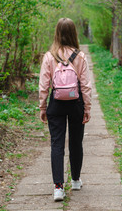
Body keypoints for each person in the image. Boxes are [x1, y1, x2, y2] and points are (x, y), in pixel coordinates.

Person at [39, 18, 92, 201]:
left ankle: (58, 188)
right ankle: (75, 180)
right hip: (76, 103)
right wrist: (87, 108)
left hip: (56, 104)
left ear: (56, 33)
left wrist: (43, 106)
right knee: (76, 142)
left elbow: (43, 86)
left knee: (57, 144)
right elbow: (85, 86)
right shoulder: (80, 56)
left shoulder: (49, 56)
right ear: (74, 33)